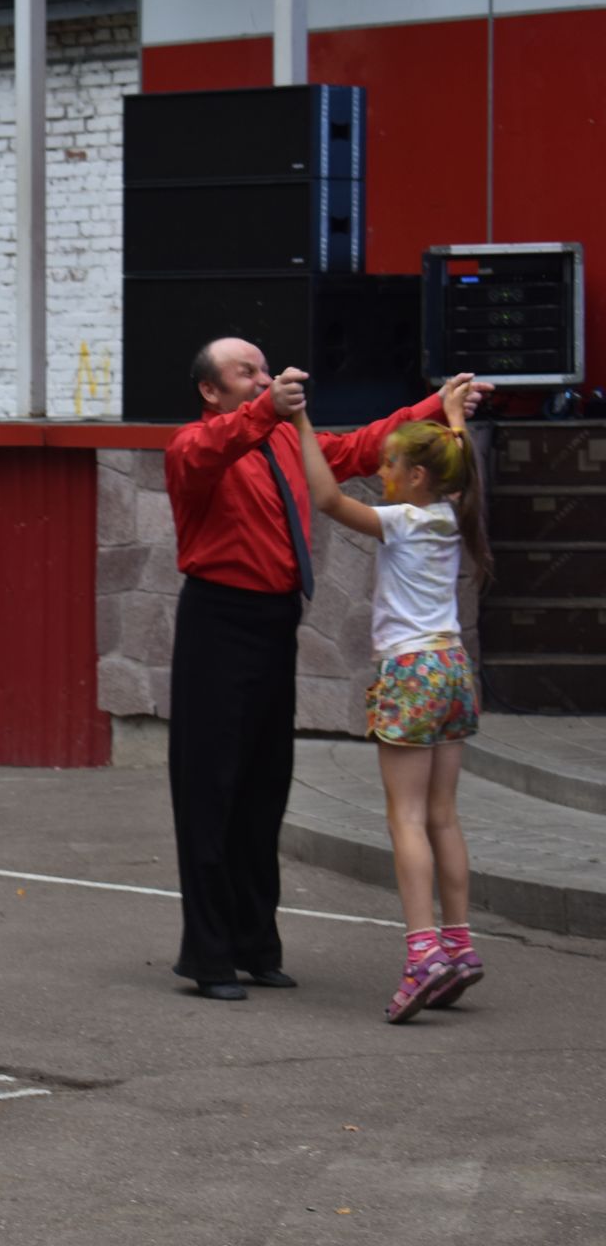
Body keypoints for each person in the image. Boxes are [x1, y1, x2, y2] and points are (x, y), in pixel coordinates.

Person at [164, 337, 488, 1001]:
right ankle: (210, 956)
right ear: (211, 390)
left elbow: (366, 448)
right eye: (244, 372)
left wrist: (437, 404)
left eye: (263, 368)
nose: (261, 379)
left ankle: (256, 944)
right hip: (218, 623)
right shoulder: (194, 445)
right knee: (210, 790)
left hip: (275, 621)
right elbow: (214, 451)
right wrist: (268, 412)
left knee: (265, 784)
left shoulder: (283, 437)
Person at [294, 377, 491, 1022]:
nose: (380, 472)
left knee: (404, 817)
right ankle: (458, 946)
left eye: (388, 465)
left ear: (414, 477)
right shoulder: (452, 510)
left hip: (409, 673)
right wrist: (455, 416)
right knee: (443, 815)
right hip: (454, 668)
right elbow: (456, 455)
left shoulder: (404, 521)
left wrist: (301, 426)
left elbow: (325, 498)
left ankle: (422, 954)